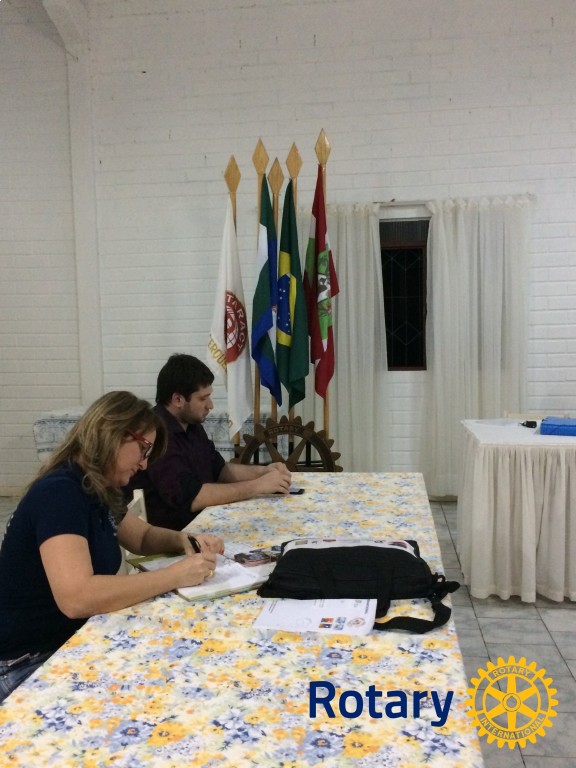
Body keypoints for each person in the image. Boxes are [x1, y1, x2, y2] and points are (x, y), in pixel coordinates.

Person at [0, 391, 223, 703]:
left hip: (66, 640)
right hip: (27, 661)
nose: (144, 464)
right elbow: (77, 598)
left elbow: (141, 538)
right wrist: (174, 575)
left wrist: (183, 540)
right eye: (143, 449)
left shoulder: (95, 486)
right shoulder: (60, 494)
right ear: (114, 434)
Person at [126, 353, 292, 530]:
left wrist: (263, 472)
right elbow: (192, 498)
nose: (210, 405)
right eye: (203, 398)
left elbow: (219, 469)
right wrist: (257, 486)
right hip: (176, 533)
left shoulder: (191, 424)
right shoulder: (157, 434)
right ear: (177, 399)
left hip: (203, 521)